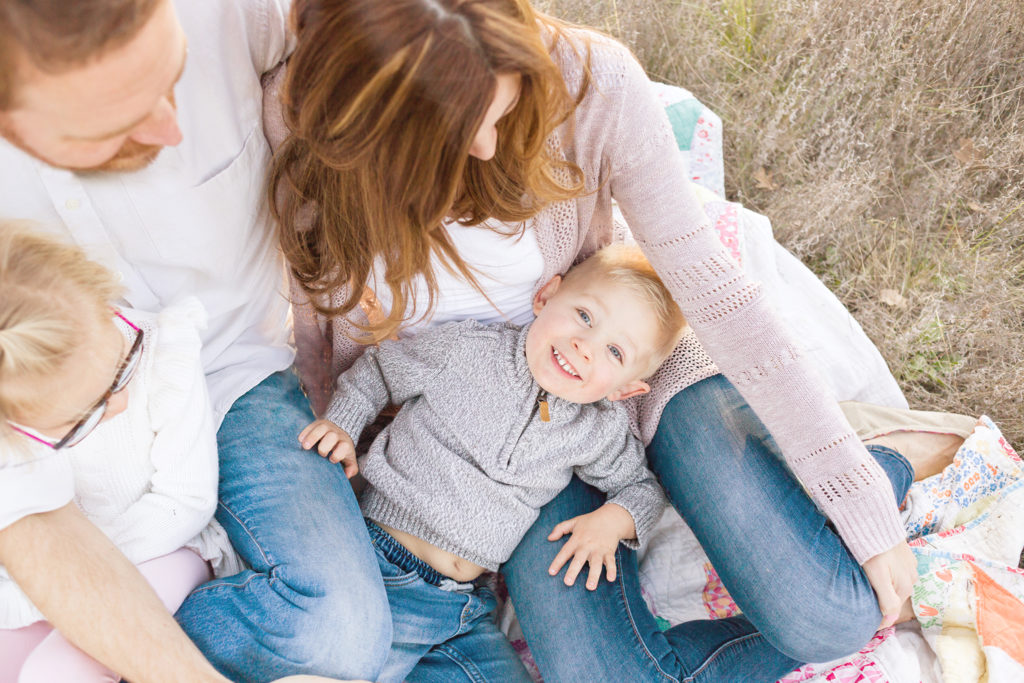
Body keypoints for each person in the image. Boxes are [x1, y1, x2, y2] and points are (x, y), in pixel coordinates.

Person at [266, 0, 918, 680]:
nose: (488, 146)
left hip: (634, 372)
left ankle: (884, 466)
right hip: (515, 444)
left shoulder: (592, 84)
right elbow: (326, 344)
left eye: (500, 110)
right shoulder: (307, 125)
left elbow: (720, 300)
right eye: (466, 126)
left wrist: (855, 493)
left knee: (833, 614)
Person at [0, 1, 390, 680]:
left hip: (235, 370)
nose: (172, 127)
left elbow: (379, 34)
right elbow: (23, 508)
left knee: (340, 633)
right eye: (119, 127)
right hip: (45, 428)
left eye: (174, 76)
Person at [300, 245, 679, 681]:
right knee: (346, 665)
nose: (585, 346)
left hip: (465, 607)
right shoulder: (467, 349)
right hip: (383, 567)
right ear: (546, 297)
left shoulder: (597, 430)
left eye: (615, 352)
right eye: (585, 317)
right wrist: (343, 424)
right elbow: (380, 372)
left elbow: (644, 490)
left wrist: (614, 520)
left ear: (626, 390)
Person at [0, 226, 238, 681]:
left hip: (166, 548)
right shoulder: (16, 411)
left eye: (119, 368)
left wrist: (52, 590)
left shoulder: (164, 355)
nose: (121, 403)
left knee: (56, 673)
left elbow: (185, 503)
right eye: (84, 416)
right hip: (57, 564)